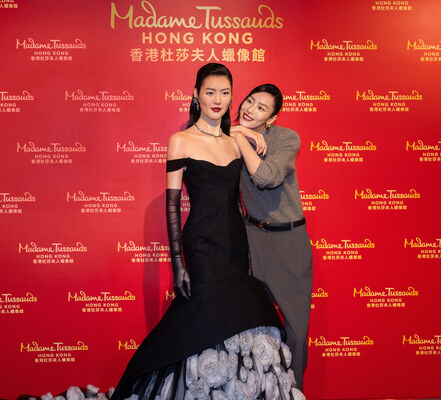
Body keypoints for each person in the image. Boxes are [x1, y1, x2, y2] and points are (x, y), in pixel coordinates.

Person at [112, 65, 305, 400]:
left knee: (235, 317)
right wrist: (178, 264)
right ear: (196, 95)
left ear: (232, 97)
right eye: (210, 92)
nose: (218, 99)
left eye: (225, 92)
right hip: (201, 243)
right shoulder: (181, 141)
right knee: (202, 316)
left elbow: (259, 180)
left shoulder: (235, 142)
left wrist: (244, 133)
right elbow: (172, 205)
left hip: (237, 243)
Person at [230, 84, 313, 390]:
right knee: (253, 327)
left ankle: (293, 393)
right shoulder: (230, 135)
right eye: (250, 101)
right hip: (251, 237)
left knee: (295, 331)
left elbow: (266, 177)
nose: (250, 109)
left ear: (272, 118)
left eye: (261, 108)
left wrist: (241, 136)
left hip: (287, 240)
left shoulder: (286, 138)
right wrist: (240, 132)